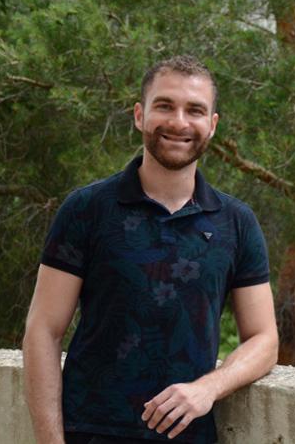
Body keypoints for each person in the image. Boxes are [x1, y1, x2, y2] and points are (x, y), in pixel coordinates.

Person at [22, 55, 278, 444]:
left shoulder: (237, 222)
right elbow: (43, 330)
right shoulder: (86, 209)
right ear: (140, 115)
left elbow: (264, 339)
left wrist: (208, 388)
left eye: (194, 110)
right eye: (164, 106)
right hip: (90, 432)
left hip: (189, 437)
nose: (178, 122)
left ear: (212, 125)